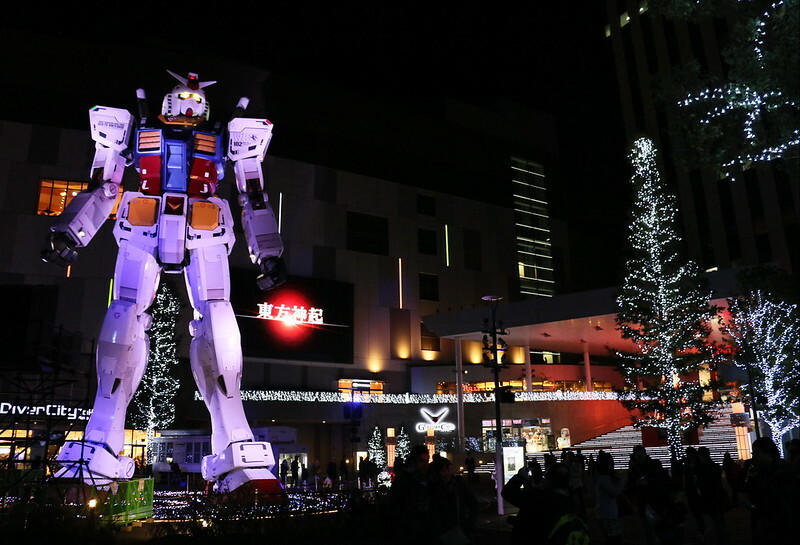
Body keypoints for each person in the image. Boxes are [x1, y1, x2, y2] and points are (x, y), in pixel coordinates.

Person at [503, 461, 587, 545]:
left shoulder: (538, 499)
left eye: (545, 477)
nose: (543, 480)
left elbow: (508, 492)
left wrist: (520, 477)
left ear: (549, 481)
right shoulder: (572, 503)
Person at [744, 437, 800, 543]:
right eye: (753, 453)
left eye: (757, 453)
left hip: (780, 529)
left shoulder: (781, 474)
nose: (754, 457)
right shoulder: (763, 472)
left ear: (768, 453)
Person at [386, 445, 433, 543]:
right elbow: (395, 506)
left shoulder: (428, 479)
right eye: (421, 461)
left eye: (426, 461)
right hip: (409, 530)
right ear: (413, 462)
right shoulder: (404, 481)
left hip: (423, 528)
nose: (425, 465)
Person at [429, 456, 479, 545]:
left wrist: (468, 524)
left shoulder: (457, 485)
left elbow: (473, 504)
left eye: (448, 469)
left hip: (456, 528)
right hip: (445, 529)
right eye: (443, 470)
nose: (447, 473)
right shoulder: (434, 488)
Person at [594, 451, 624, 545]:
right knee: (614, 539)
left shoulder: (602, 478)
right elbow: (615, 492)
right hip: (608, 514)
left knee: (612, 538)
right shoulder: (604, 479)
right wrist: (621, 481)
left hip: (606, 513)